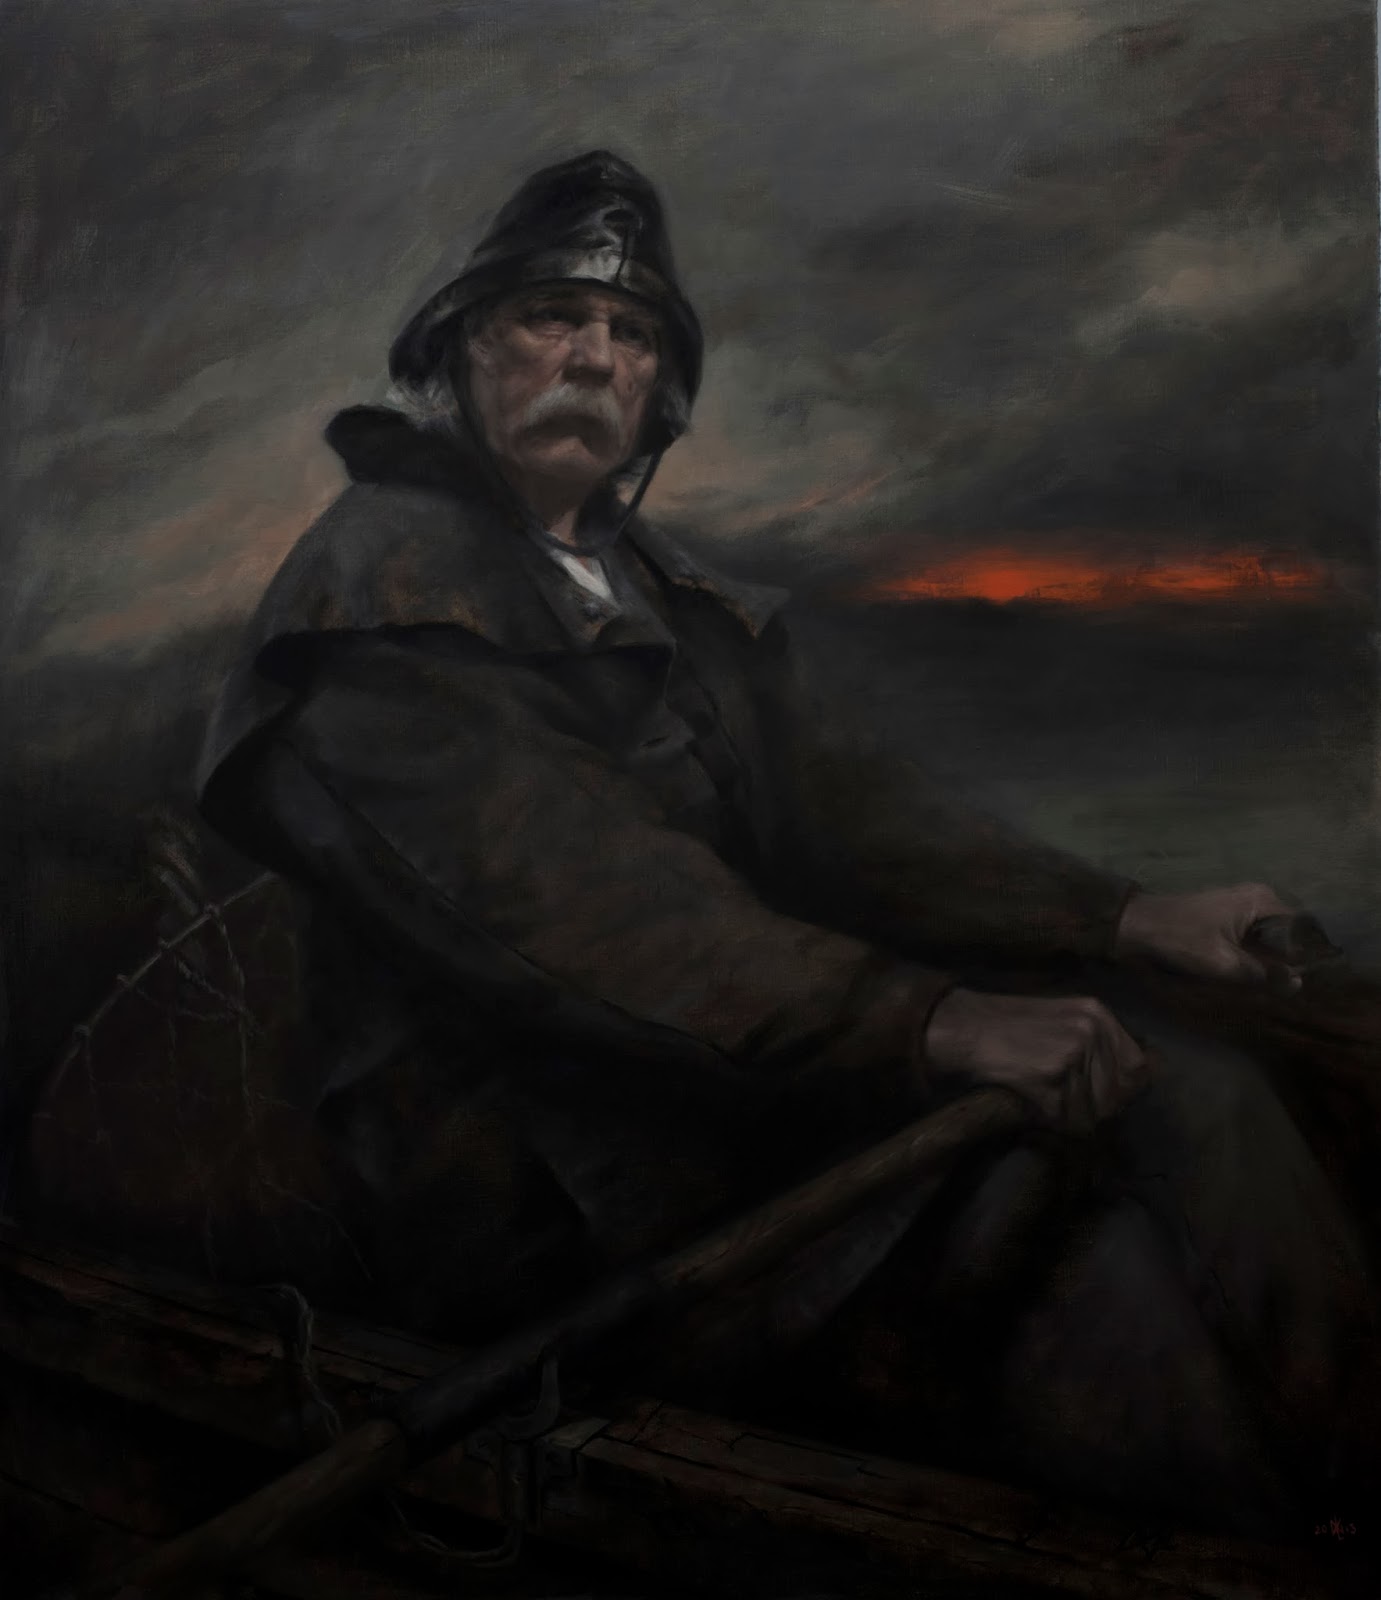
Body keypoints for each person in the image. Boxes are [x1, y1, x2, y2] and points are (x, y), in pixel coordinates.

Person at [197, 151, 1378, 1535]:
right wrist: (933, 1020)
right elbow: (594, 916)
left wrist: (1125, 914)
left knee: (1215, 1091)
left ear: (660, 393)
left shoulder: (661, 591)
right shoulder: (378, 601)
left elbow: (864, 818)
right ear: (461, 352)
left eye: (632, 333)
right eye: (549, 318)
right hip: (566, 1197)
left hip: (743, 1105)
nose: (593, 357)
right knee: (1143, 1185)